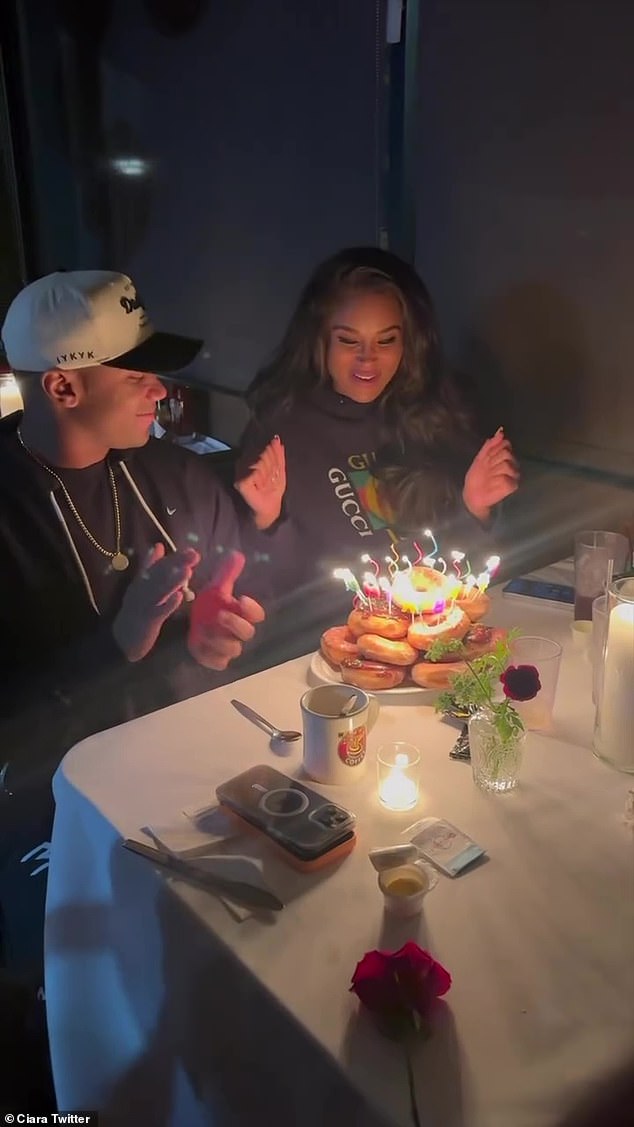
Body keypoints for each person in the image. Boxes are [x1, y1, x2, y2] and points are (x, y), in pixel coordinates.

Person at [0, 269, 282, 996]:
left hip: (189, 766)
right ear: (63, 388)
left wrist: (209, 640)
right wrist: (119, 641)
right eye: (138, 375)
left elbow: (227, 618)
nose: (163, 392)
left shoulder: (178, 478)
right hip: (52, 804)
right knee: (96, 988)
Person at [234, 246, 519, 652]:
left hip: (432, 650)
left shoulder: (434, 417)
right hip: (323, 657)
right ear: (319, 341)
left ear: (410, 343)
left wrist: (475, 508)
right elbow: (265, 593)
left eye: (386, 340)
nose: (368, 359)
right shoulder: (283, 429)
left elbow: (467, 581)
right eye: (349, 340)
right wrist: (267, 521)